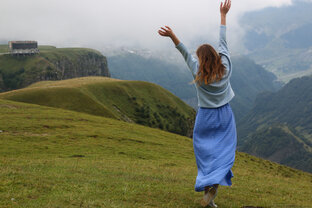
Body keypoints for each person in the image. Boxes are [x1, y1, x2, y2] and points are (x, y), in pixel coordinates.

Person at [158, 0, 236, 207]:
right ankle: (213, 191)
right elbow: (223, 41)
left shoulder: (197, 72)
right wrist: (223, 15)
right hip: (225, 115)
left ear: (201, 60)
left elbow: (182, 50)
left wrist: (172, 35)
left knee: (206, 154)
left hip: (205, 117)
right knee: (224, 153)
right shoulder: (226, 67)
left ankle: (207, 192)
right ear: (216, 57)